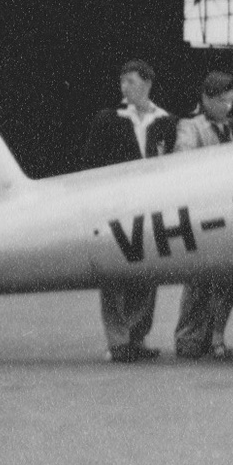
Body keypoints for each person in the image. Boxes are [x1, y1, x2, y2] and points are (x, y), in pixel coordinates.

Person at [81, 59, 176, 363]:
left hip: (153, 209)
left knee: (148, 272)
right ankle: (118, 341)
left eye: (131, 82)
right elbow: (92, 165)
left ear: (148, 84)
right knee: (115, 275)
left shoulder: (167, 122)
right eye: (122, 82)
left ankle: (137, 336)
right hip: (115, 208)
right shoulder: (108, 119)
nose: (124, 88)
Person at [173, 70, 233, 360]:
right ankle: (188, 338)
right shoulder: (191, 126)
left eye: (231, 100)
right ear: (206, 99)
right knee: (199, 280)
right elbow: (183, 161)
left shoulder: (230, 129)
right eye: (222, 100)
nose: (228, 106)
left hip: (229, 214)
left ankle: (221, 339)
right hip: (202, 212)